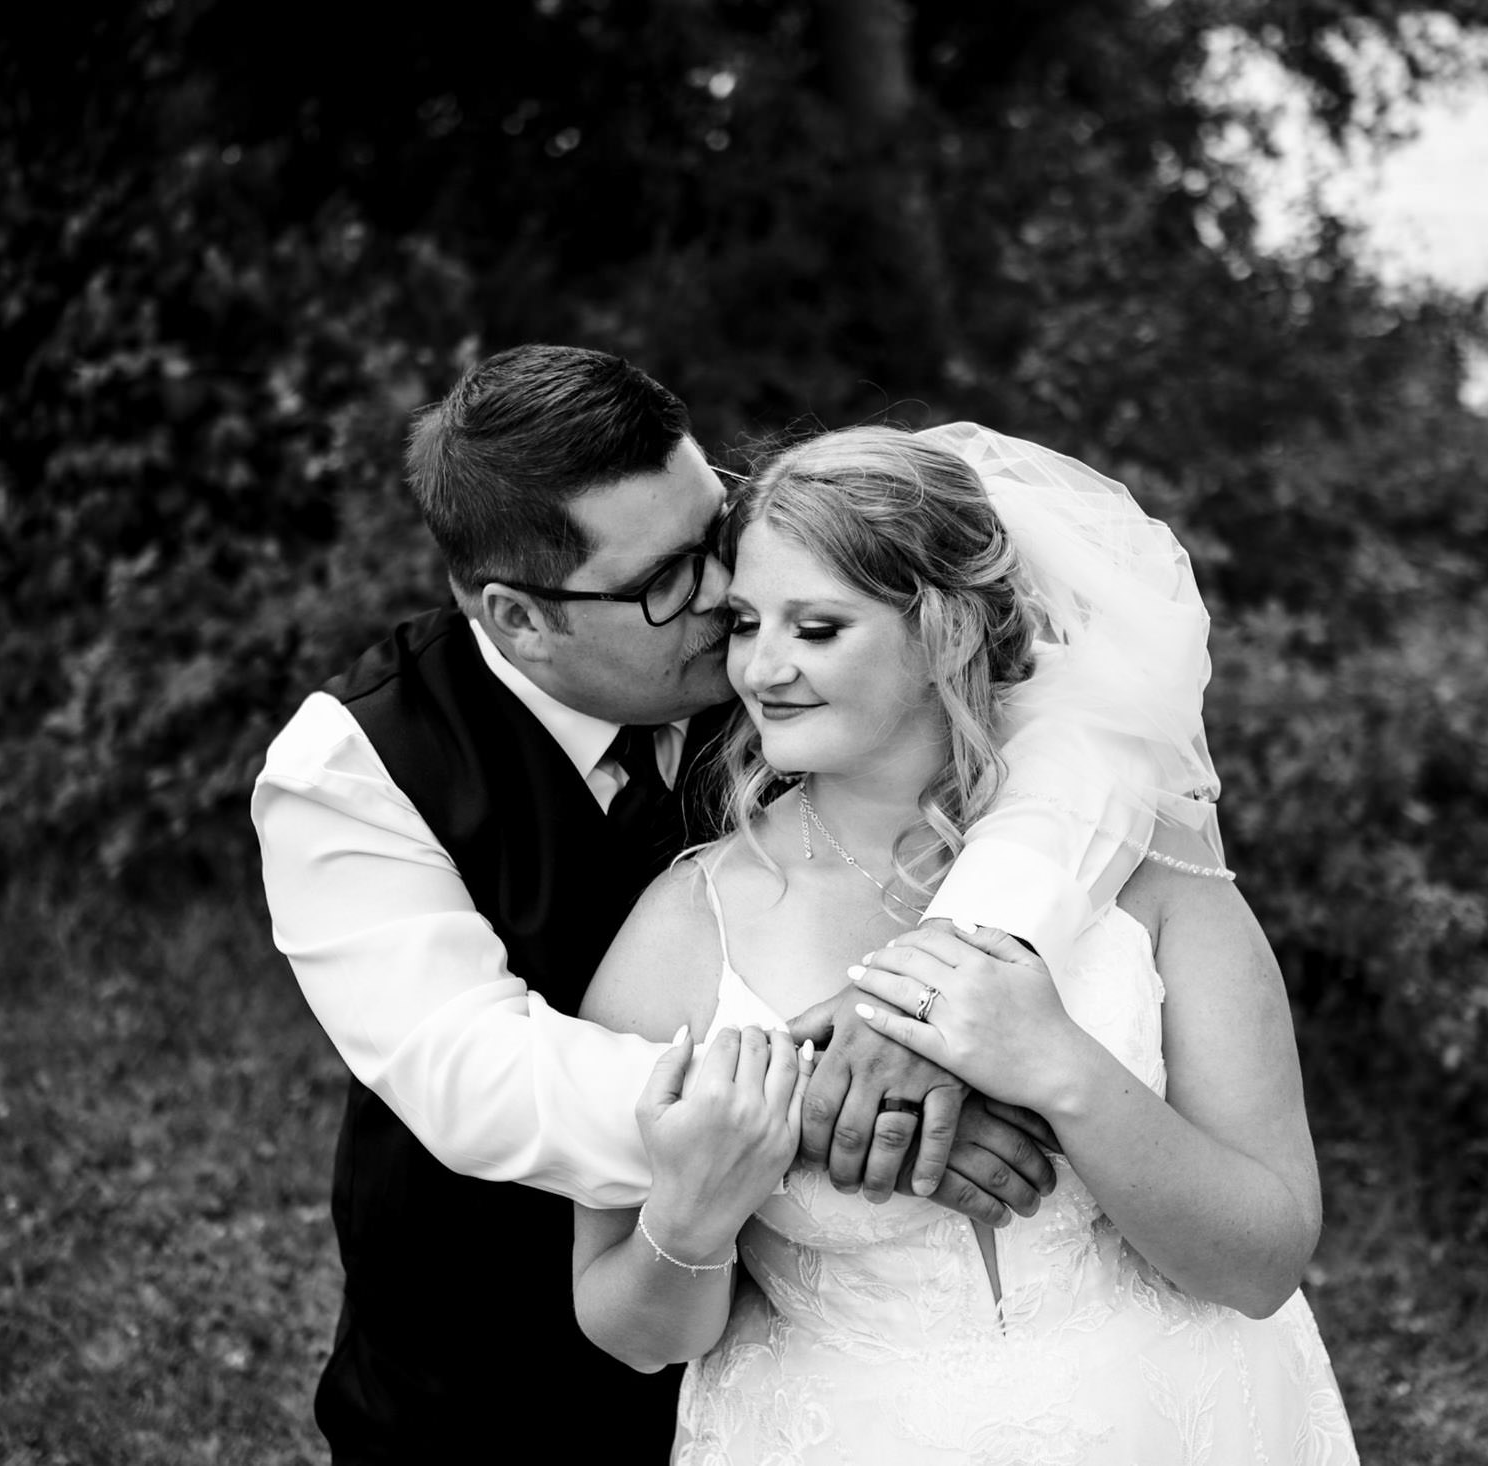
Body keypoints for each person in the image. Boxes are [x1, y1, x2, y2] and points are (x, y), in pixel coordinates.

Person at [252, 347, 1210, 1461]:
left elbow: (1090, 733)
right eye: (667, 579)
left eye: (714, 531)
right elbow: (475, 1076)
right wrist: (847, 1093)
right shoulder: (350, 769)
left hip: (799, 1355)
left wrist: (952, 951)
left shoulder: (798, 653)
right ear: (519, 618)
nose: (724, 597)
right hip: (492, 1342)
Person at [572, 424, 1357, 1463]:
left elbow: (1263, 1262)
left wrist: (1062, 1070)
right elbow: (629, 1330)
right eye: (747, 622)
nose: (761, 668)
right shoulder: (686, 925)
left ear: (943, 632)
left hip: (1178, 1420)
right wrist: (697, 1209)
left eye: (817, 627)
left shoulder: (1147, 871)